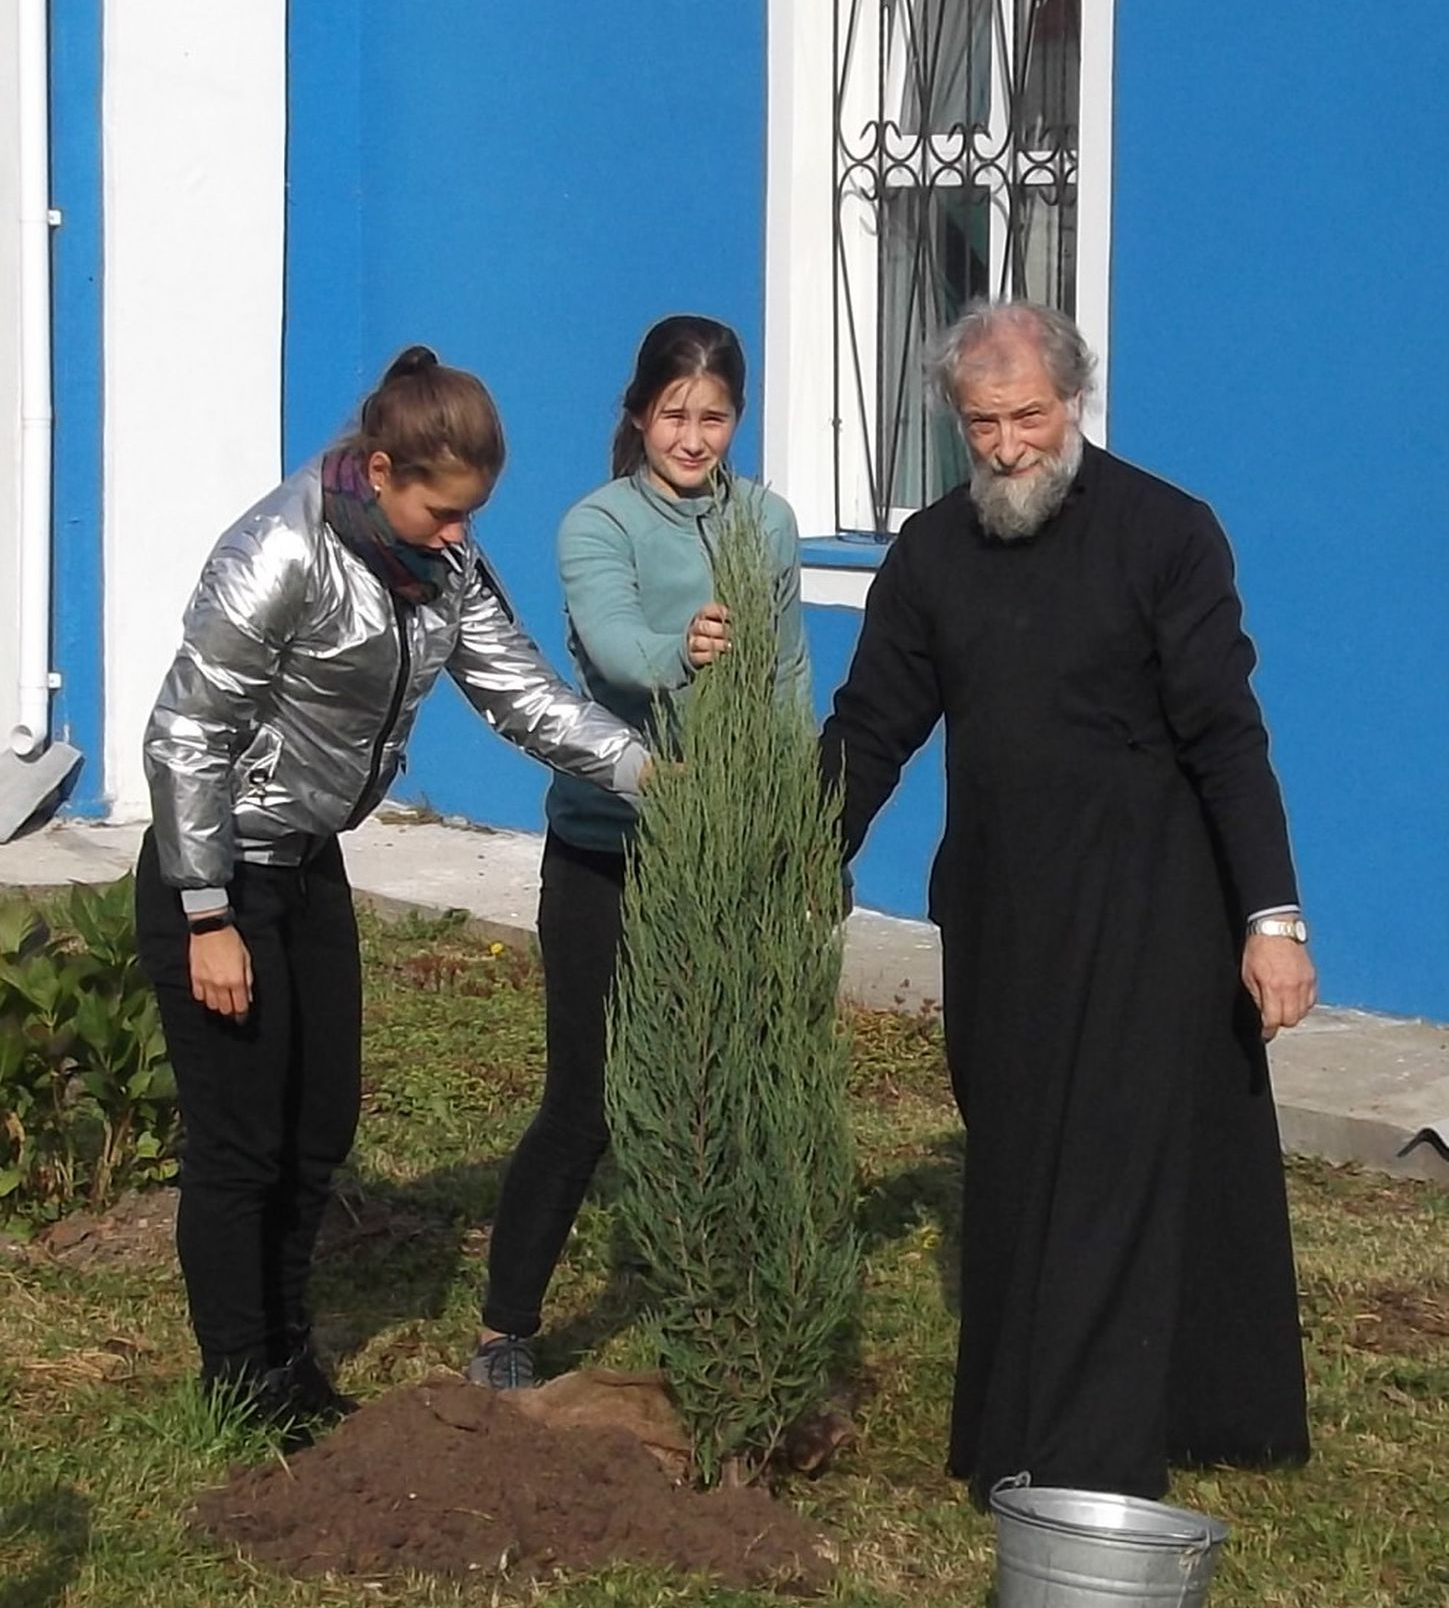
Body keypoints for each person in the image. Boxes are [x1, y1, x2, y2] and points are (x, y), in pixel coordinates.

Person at [821, 299, 1317, 1505]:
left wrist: (1272, 919)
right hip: (999, 910)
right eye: (981, 425)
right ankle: (1024, 1418)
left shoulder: (1166, 532)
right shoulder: (932, 552)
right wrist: (792, 861)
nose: (1006, 448)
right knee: (1016, 1159)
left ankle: (1083, 1463)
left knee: (1113, 1169)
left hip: (1151, 906)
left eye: (1027, 418)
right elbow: (873, 724)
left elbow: (1225, 733)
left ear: (1075, 399)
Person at [136, 346, 649, 1437]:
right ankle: (237, 1382)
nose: (459, 533)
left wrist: (649, 773)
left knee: (316, 1129)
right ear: (380, 472)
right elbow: (185, 730)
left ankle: (289, 1358)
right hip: (218, 871)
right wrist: (205, 913)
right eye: (443, 510)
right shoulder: (280, 548)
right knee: (241, 1144)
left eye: (472, 514)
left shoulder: (441, 565)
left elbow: (522, 694)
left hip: (308, 861)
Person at [467, 315, 809, 1388]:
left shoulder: (767, 522)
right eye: (673, 415)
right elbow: (614, 655)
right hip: (606, 852)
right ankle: (505, 1330)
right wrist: (686, 648)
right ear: (638, 414)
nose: (693, 438)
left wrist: (797, 825)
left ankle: (717, 1316)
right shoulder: (597, 522)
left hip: (730, 850)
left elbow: (787, 677)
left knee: (721, 1088)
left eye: (714, 417)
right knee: (588, 1099)